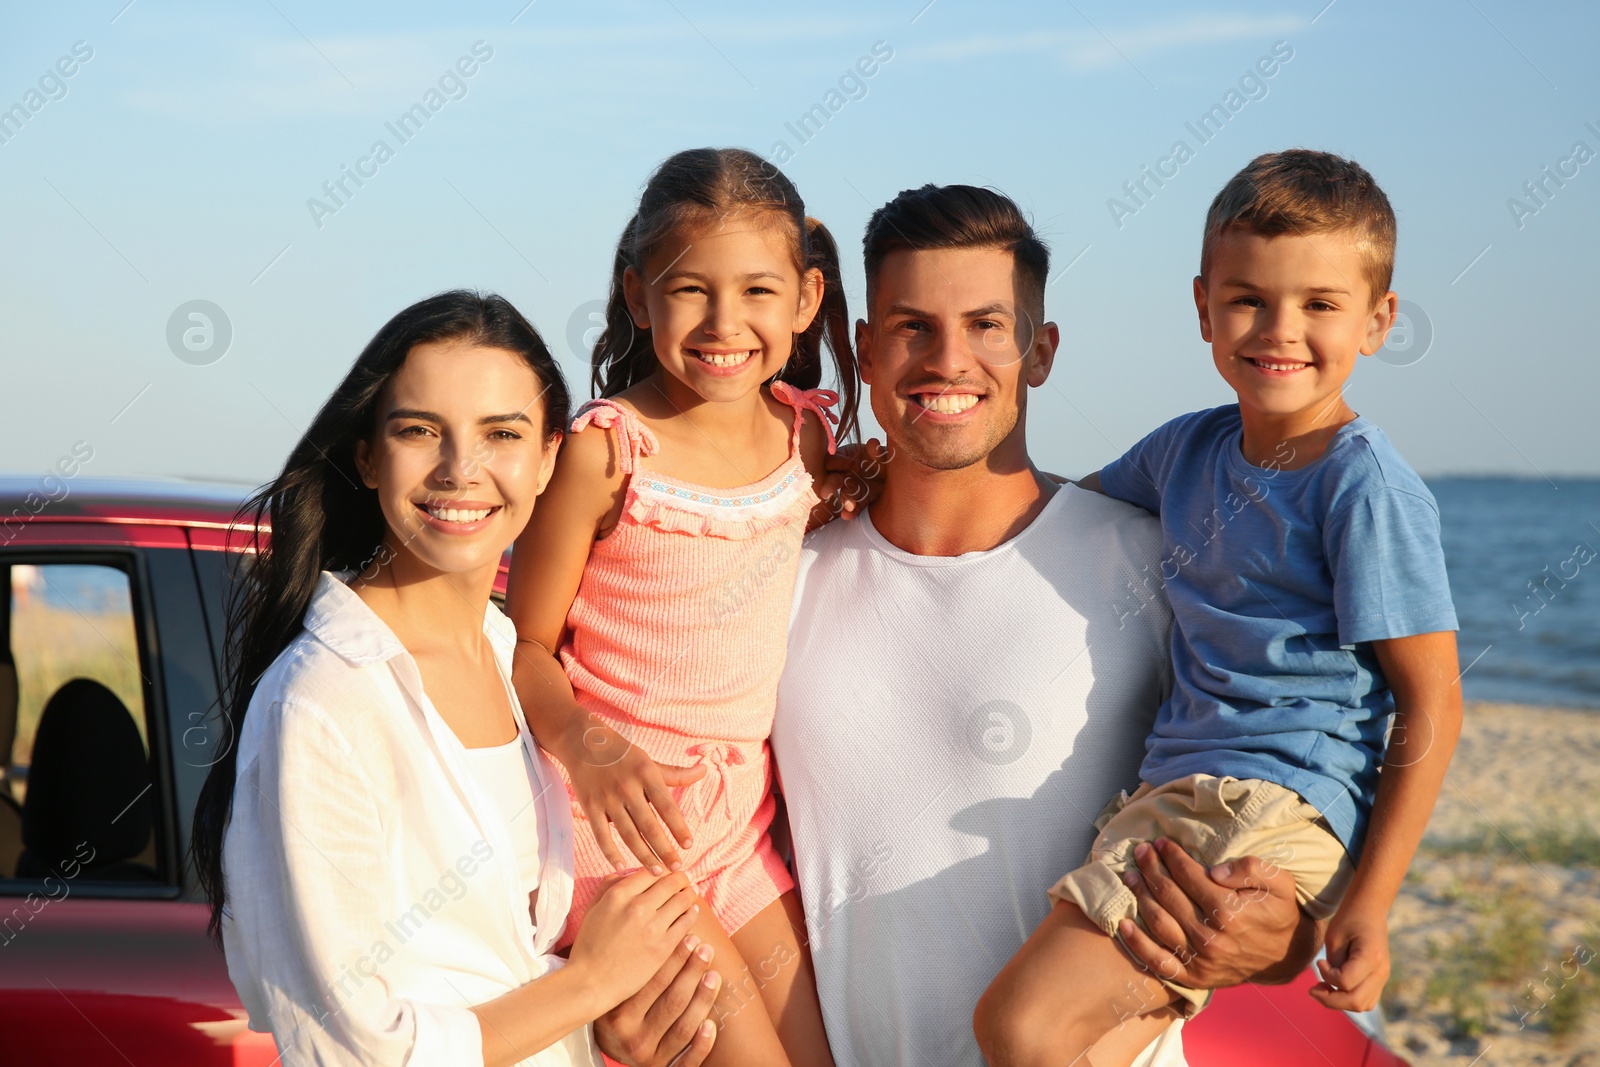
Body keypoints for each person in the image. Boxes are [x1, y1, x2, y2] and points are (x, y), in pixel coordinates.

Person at [773, 184, 1322, 1067]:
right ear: (866, 353)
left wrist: (1288, 933)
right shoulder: (785, 580)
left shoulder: (1152, 563)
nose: (947, 360)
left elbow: (1286, 767)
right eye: (912, 326)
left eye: (987, 325)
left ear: (1041, 350)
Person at [979, 150, 1463, 1065]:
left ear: (1379, 320)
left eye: (1320, 303)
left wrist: (1369, 900)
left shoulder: (1361, 488)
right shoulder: (1188, 449)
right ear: (1203, 305)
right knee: (1080, 1046)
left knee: (1020, 1027)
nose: (1281, 329)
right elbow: (1053, 511)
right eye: (1249, 299)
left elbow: (1432, 701)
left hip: (1267, 807)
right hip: (1177, 798)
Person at [192, 291, 719, 1067]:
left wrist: (599, 1027)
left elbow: (496, 973)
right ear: (369, 455)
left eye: (501, 433)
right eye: (419, 431)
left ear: (546, 460)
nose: (460, 470)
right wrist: (591, 985)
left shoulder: (511, 658)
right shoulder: (325, 699)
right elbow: (352, 1047)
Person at [507, 148, 860, 1067]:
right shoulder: (608, 451)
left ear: (806, 300)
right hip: (619, 828)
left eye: (756, 292)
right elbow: (522, 648)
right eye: (690, 289)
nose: (724, 322)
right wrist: (590, 748)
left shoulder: (807, 438)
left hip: (736, 825)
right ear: (637, 296)